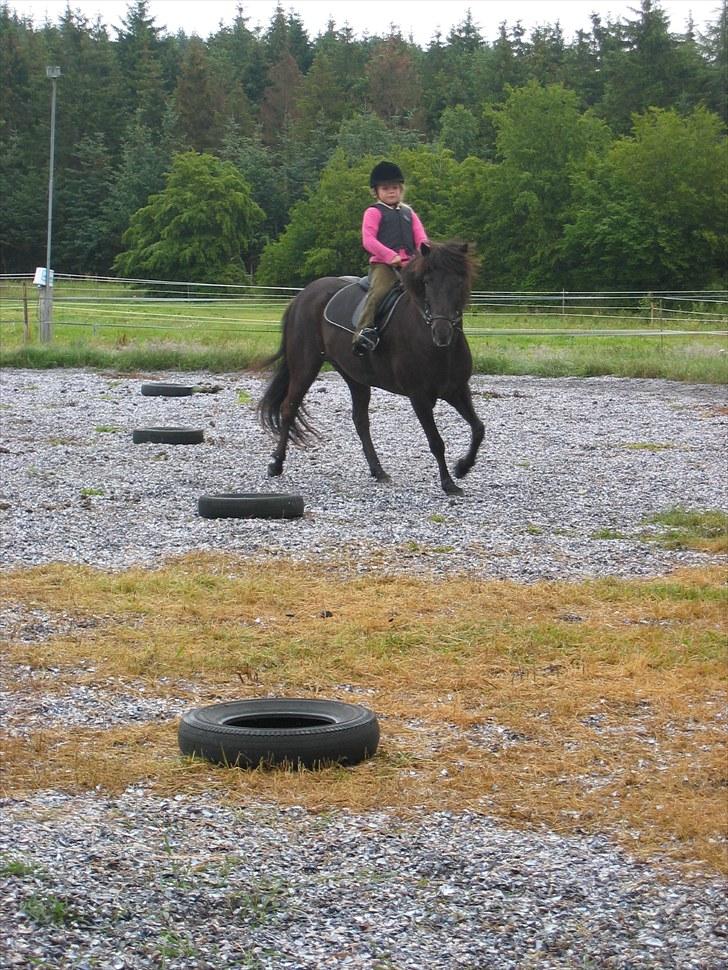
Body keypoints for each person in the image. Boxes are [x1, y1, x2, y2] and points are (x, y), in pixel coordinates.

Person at [351, 160, 429, 356]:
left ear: (401, 189)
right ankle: (363, 331)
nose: (391, 191)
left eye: (394, 188)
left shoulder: (408, 213)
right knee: (379, 292)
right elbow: (368, 240)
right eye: (385, 188)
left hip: (411, 265)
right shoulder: (373, 212)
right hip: (384, 266)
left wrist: (427, 255)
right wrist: (389, 255)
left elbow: (421, 238)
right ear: (376, 192)